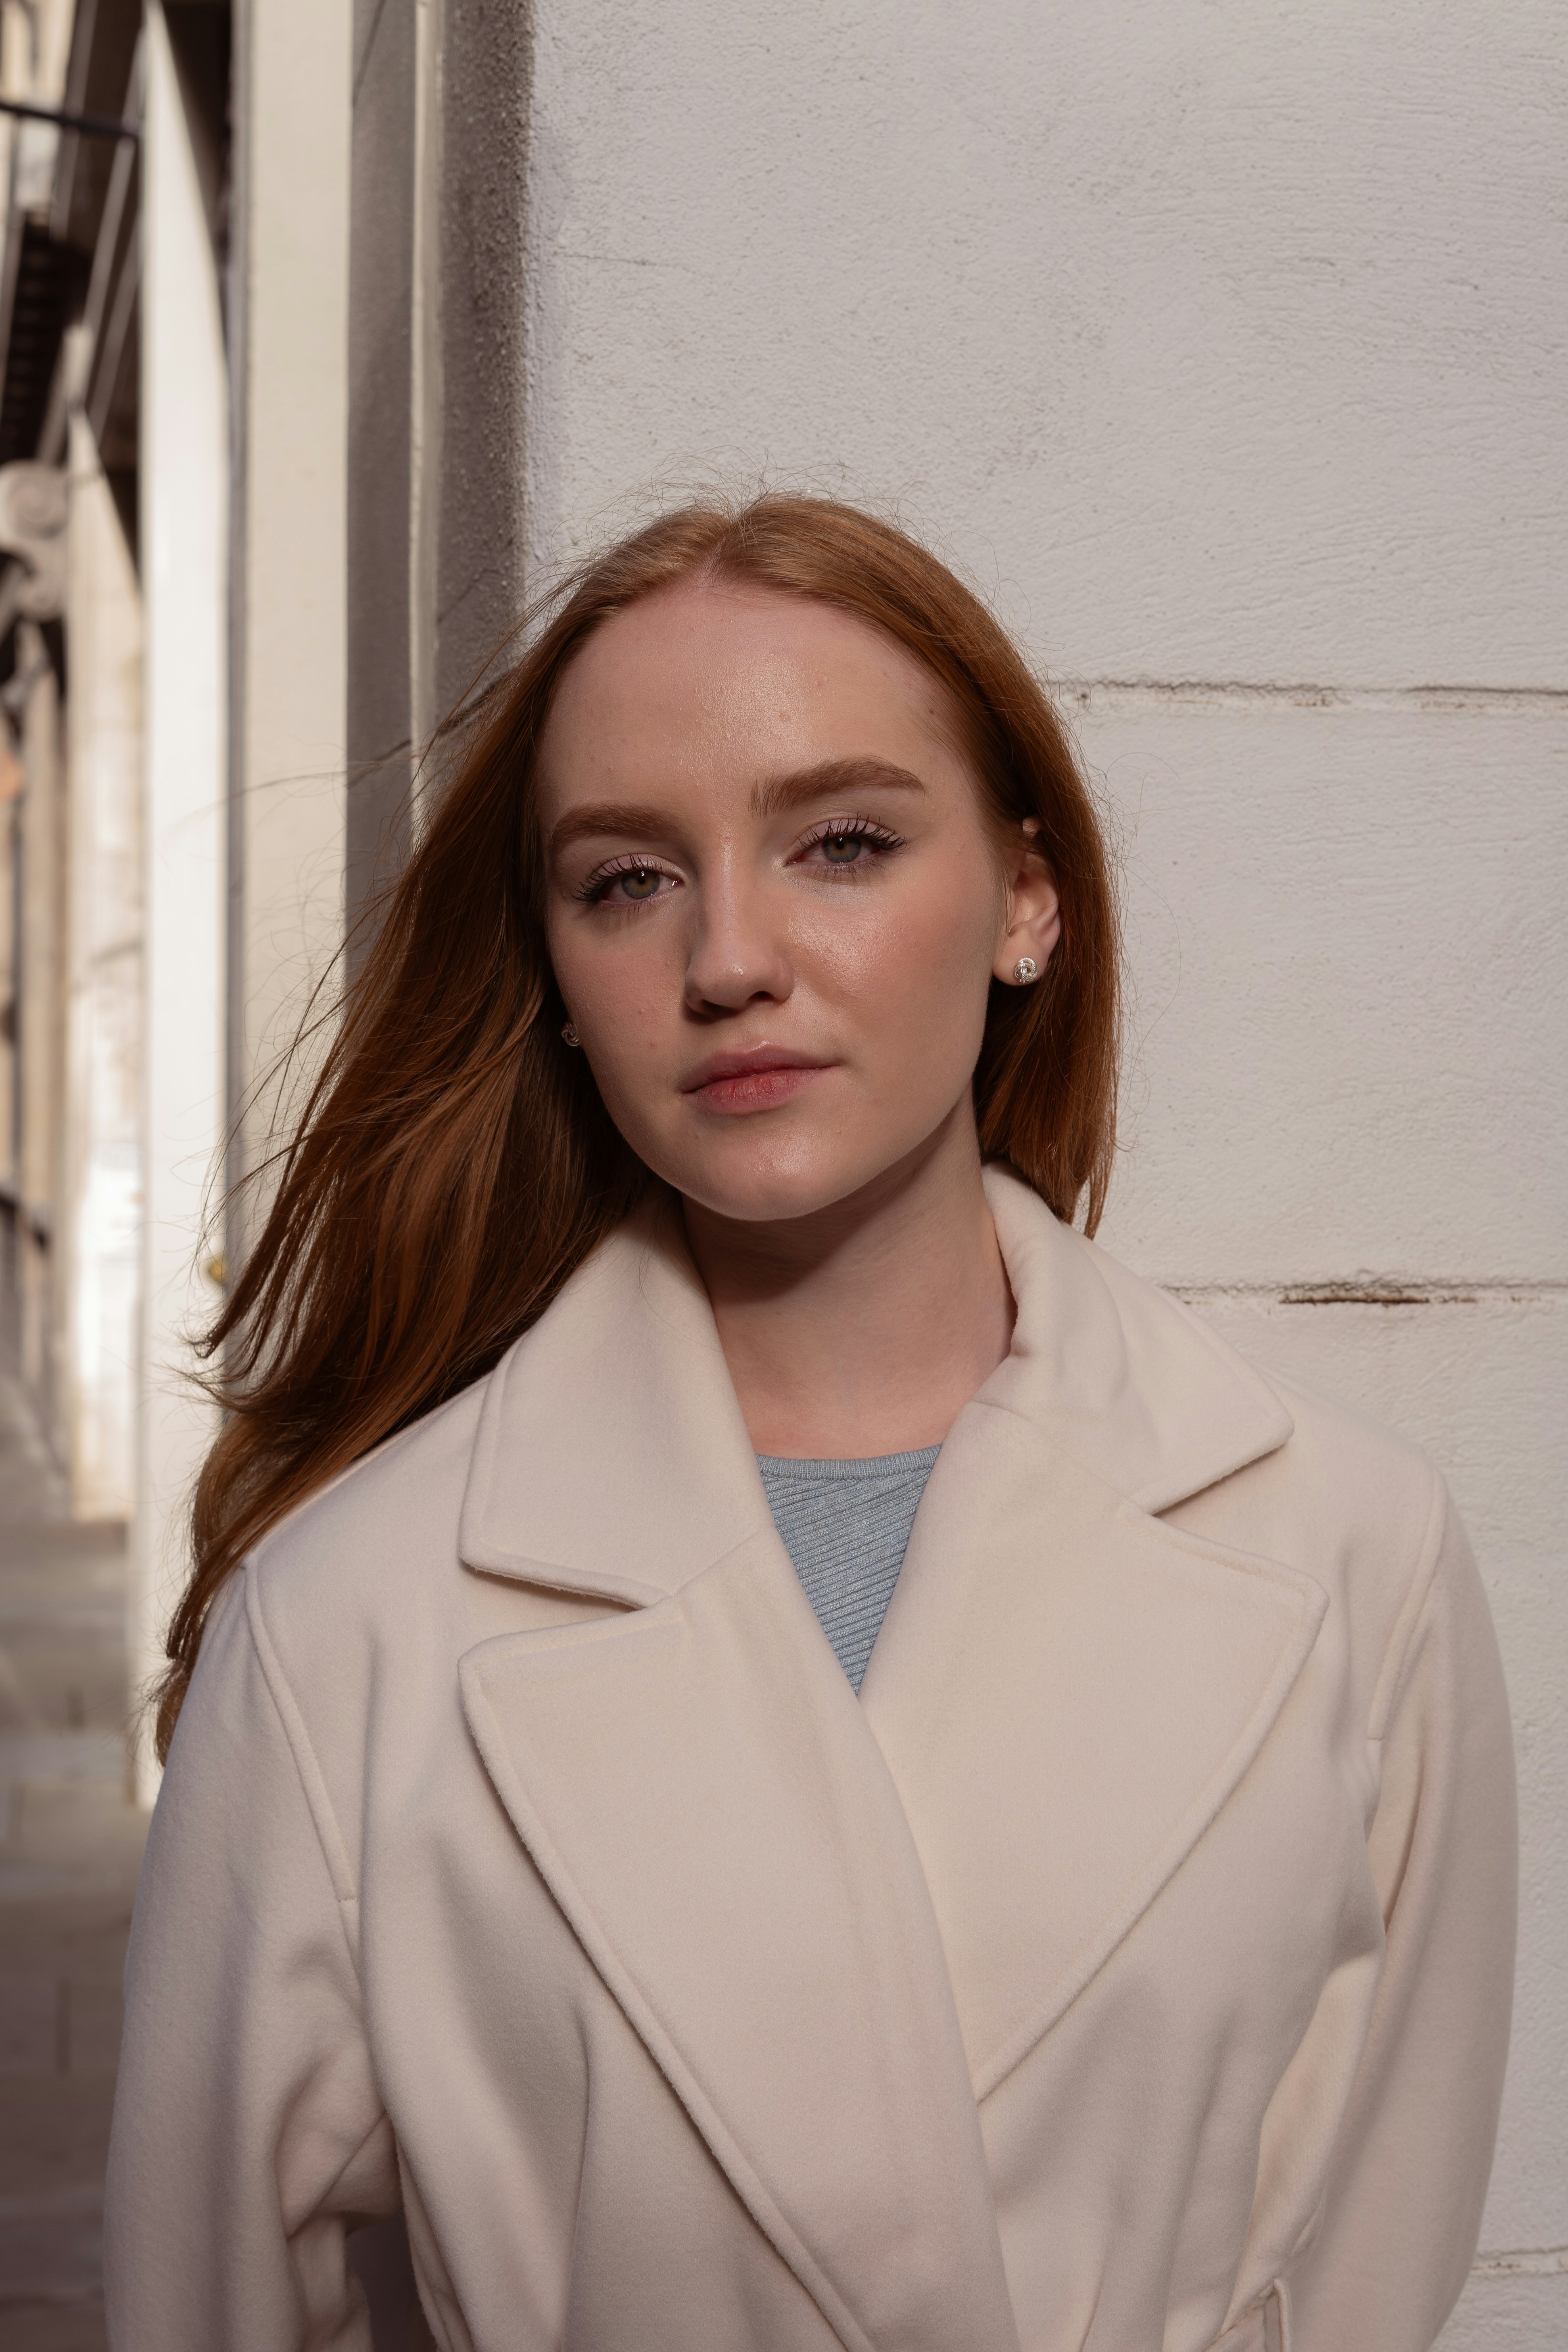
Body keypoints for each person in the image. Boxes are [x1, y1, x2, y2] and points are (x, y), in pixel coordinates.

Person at [105, 496, 1516, 2352]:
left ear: (1029, 899)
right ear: (557, 979)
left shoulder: (1353, 1555)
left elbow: (1373, 2263)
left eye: (841, 841)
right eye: (627, 879)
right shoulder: (345, 1623)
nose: (731, 957)